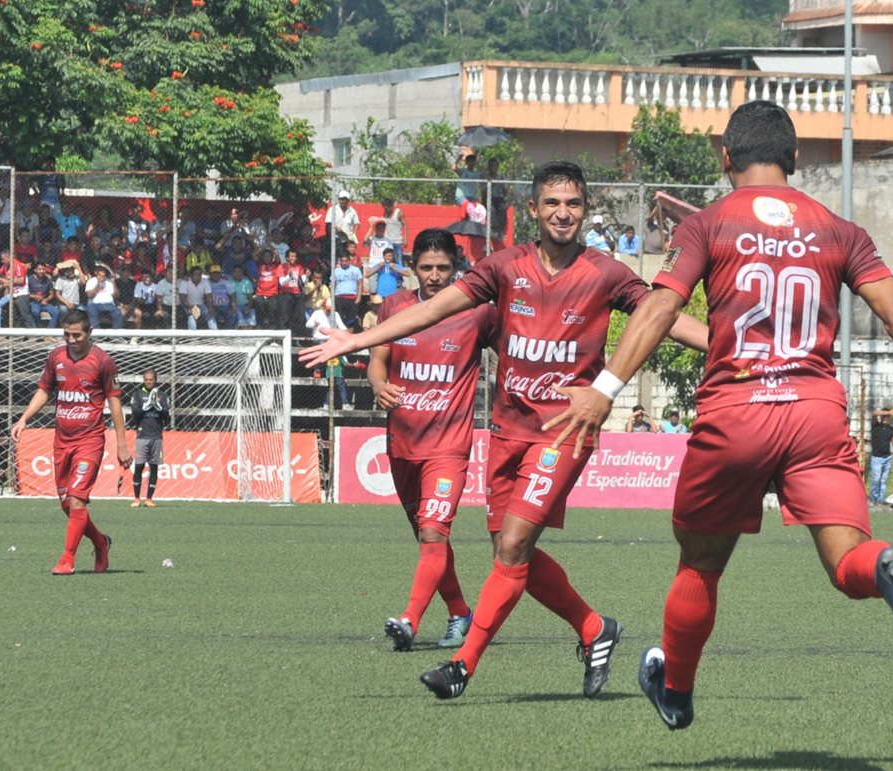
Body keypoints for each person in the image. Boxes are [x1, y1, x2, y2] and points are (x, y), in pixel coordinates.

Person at [542, 101, 893, 731]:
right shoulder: (838, 229)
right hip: (816, 411)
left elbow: (658, 309)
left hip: (736, 411)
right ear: (796, 160)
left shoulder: (708, 224)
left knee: (700, 562)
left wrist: (605, 388)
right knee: (847, 562)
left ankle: (677, 689)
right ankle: (883, 567)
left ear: (726, 159)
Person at [300, 160, 708, 701]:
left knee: (513, 546)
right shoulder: (503, 266)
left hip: (564, 432)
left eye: (575, 204)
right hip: (507, 433)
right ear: (534, 211)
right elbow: (434, 309)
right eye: (554, 203)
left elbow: (663, 315)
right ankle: (593, 628)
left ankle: (462, 665)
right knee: (508, 554)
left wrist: (736, 347)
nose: (564, 213)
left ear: (584, 211)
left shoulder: (605, 272)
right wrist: (355, 341)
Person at [368, 228, 499, 653]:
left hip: (448, 447)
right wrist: (378, 385)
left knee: (433, 533)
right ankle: (460, 612)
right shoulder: (394, 306)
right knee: (429, 540)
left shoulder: (478, 312)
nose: (435, 276)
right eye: (426, 268)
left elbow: (515, 354)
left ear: (456, 268)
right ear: (413, 268)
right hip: (402, 444)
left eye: (444, 268)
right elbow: (377, 361)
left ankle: (409, 619)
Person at [10, 310, 132, 575]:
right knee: (68, 507)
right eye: (66, 334)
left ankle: (67, 559)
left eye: (77, 335)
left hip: (90, 440)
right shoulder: (56, 357)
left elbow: (114, 401)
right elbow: (44, 390)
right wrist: (24, 419)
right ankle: (101, 543)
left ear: (89, 332)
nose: (71, 339)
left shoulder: (103, 361)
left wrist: (122, 444)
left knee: (77, 500)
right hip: (61, 441)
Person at [129, 369, 168, 508]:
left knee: (154, 467)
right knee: (139, 466)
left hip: (157, 436)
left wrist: (159, 408)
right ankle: (136, 498)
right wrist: (145, 407)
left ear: (155, 380)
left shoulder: (162, 395)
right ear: (143, 380)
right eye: (146, 379)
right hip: (142, 436)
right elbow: (135, 414)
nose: (149, 382)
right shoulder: (137, 395)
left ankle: (149, 498)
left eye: (151, 379)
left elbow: (166, 417)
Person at [305, 299, 351, 410]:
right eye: (327, 309)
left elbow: (342, 326)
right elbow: (308, 324)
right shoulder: (317, 313)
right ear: (323, 307)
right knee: (320, 346)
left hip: (331, 340)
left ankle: (330, 370)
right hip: (319, 339)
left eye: (330, 309)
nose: (328, 311)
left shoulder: (335, 314)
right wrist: (316, 323)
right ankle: (318, 370)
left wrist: (348, 334)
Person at [869, 408, 893, 503]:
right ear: (881, 417)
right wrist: (889, 412)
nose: (886, 418)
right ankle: (874, 497)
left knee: (883, 480)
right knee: (876, 480)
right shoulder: (875, 425)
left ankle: (881, 499)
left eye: (887, 417)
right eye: (884, 416)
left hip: (887, 457)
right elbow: (874, 413)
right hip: (877, 457)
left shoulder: (891, 429)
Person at [85, 266, 123, 330]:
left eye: (104, 271)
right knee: (92, 312)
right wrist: (98, 283)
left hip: (109, 304)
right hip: (94, 305)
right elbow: (89, 295)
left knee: (118, 313)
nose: (104, 273)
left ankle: (116, 336)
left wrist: (113, 282)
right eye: (101, 271)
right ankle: (96, 334)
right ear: (96, 272)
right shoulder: (91, 281)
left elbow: (116, 295)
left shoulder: (109, 282)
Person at [179, 266, 217, 331]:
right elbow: (183, 298)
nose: (198, 276)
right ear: (191, 275)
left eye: (200, 274)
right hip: (188, 305)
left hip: (201, 305)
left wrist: (210, 308)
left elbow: (209, 296)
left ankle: (216, 335)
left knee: (210, 315)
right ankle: (193, 338)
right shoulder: (185, 282)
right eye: (195, 274)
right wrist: (191, 307)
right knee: (191, 318)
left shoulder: (205, 281)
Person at [331, 252, 363, 328]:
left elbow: (360, 283)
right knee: (339, 319)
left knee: (351, 320)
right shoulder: (336, 271)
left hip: (352, 298)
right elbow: (332, 285)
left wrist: (359, 297)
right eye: (342, 261)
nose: (344, 263)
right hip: (339, 297)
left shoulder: (356, 270)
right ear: (340, 261)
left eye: (346, 261)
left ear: (349, 261)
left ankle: (350, 336)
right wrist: (332, 298)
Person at [327, 190, 360, 260]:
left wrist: (353, 233)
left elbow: (357, 223)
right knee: (335, 259)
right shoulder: (333, 209)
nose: (344, 201)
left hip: (347, 240)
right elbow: (328, 223)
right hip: (335, 239)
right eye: (342, 199)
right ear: (339, 200)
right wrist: (336, 228)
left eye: (346, 199)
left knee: (346, 259)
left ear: (348, 200)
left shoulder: (352, 211)